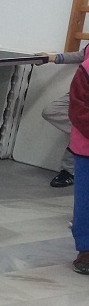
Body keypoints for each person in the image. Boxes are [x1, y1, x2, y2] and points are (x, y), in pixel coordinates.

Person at [35, 45, 87, 187]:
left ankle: (68, 172)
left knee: (80, 134)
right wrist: (51, 57)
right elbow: (79, 55)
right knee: (51, 111)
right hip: (80, 94)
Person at [64, 48, 89, 274]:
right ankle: (86, 249)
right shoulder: (87, 69)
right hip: (87, 149)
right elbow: (78, 108)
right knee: (85, 202)